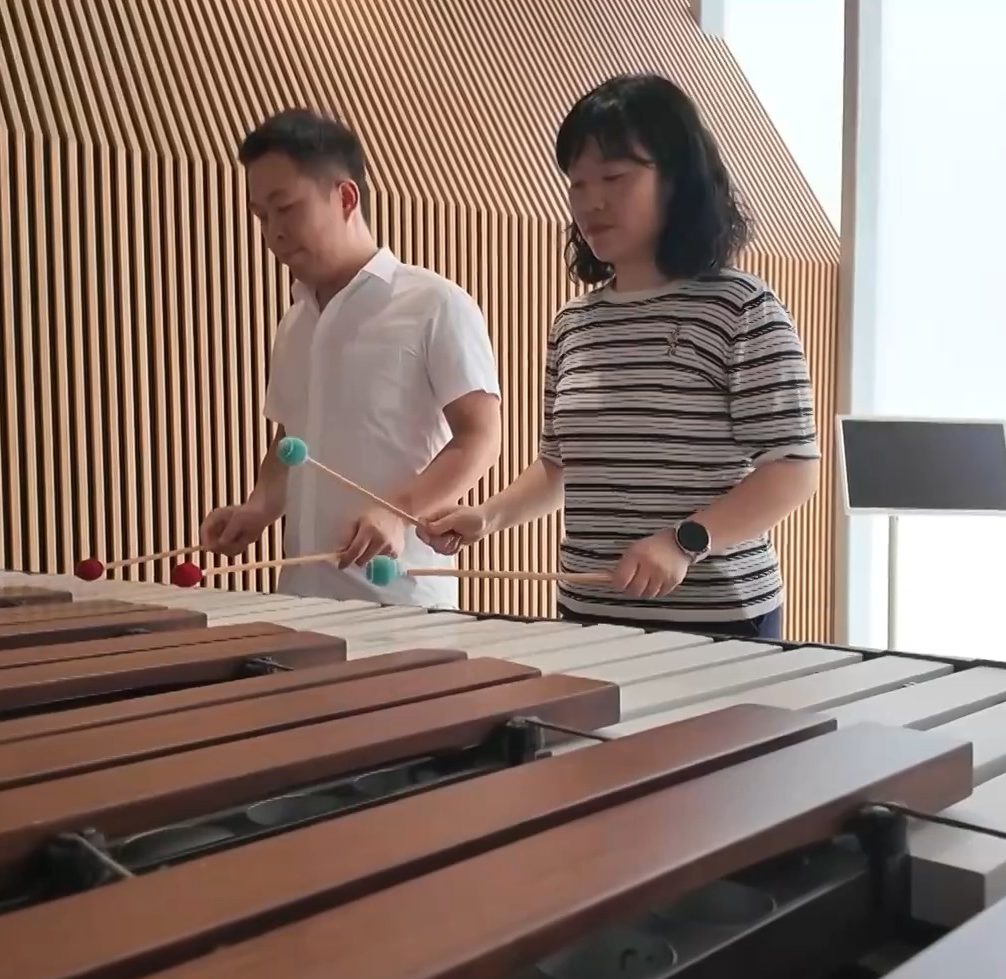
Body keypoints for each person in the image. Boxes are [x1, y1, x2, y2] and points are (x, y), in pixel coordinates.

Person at [417, 74, 820, 639]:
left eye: (614, 177)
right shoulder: (574, 323)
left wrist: (684, 542)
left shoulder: (741, 308)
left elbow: (793, 470)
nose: (591, 202)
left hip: (719, 621)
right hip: (590, 615)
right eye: (577, 183)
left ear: (677, 180)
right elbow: (558, 467)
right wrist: (486, 517)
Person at [202, 108, 502, 609]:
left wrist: (397, 511)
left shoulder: (435, 303)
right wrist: (258, 508)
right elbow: (290, 440)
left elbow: (481, 436)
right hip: (301, 600)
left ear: (345, 197)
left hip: (403, 603)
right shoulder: (295, 323)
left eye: (286, 208)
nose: (273, 232)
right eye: (261, 216)